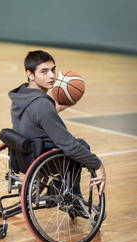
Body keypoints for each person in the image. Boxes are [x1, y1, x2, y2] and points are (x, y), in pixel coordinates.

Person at [8, 50, 106, 195]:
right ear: (30, 74)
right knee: (81, 146)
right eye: (44, 71)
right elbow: (69, 146)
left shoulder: (21, 94)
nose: (51, 76)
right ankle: (65, 193)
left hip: (23, 157)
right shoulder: (43, 105)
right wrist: (97, 165)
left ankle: (55, 186)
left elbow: (32, 119)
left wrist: (55, 110)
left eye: (53, 70)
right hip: (42, 161)